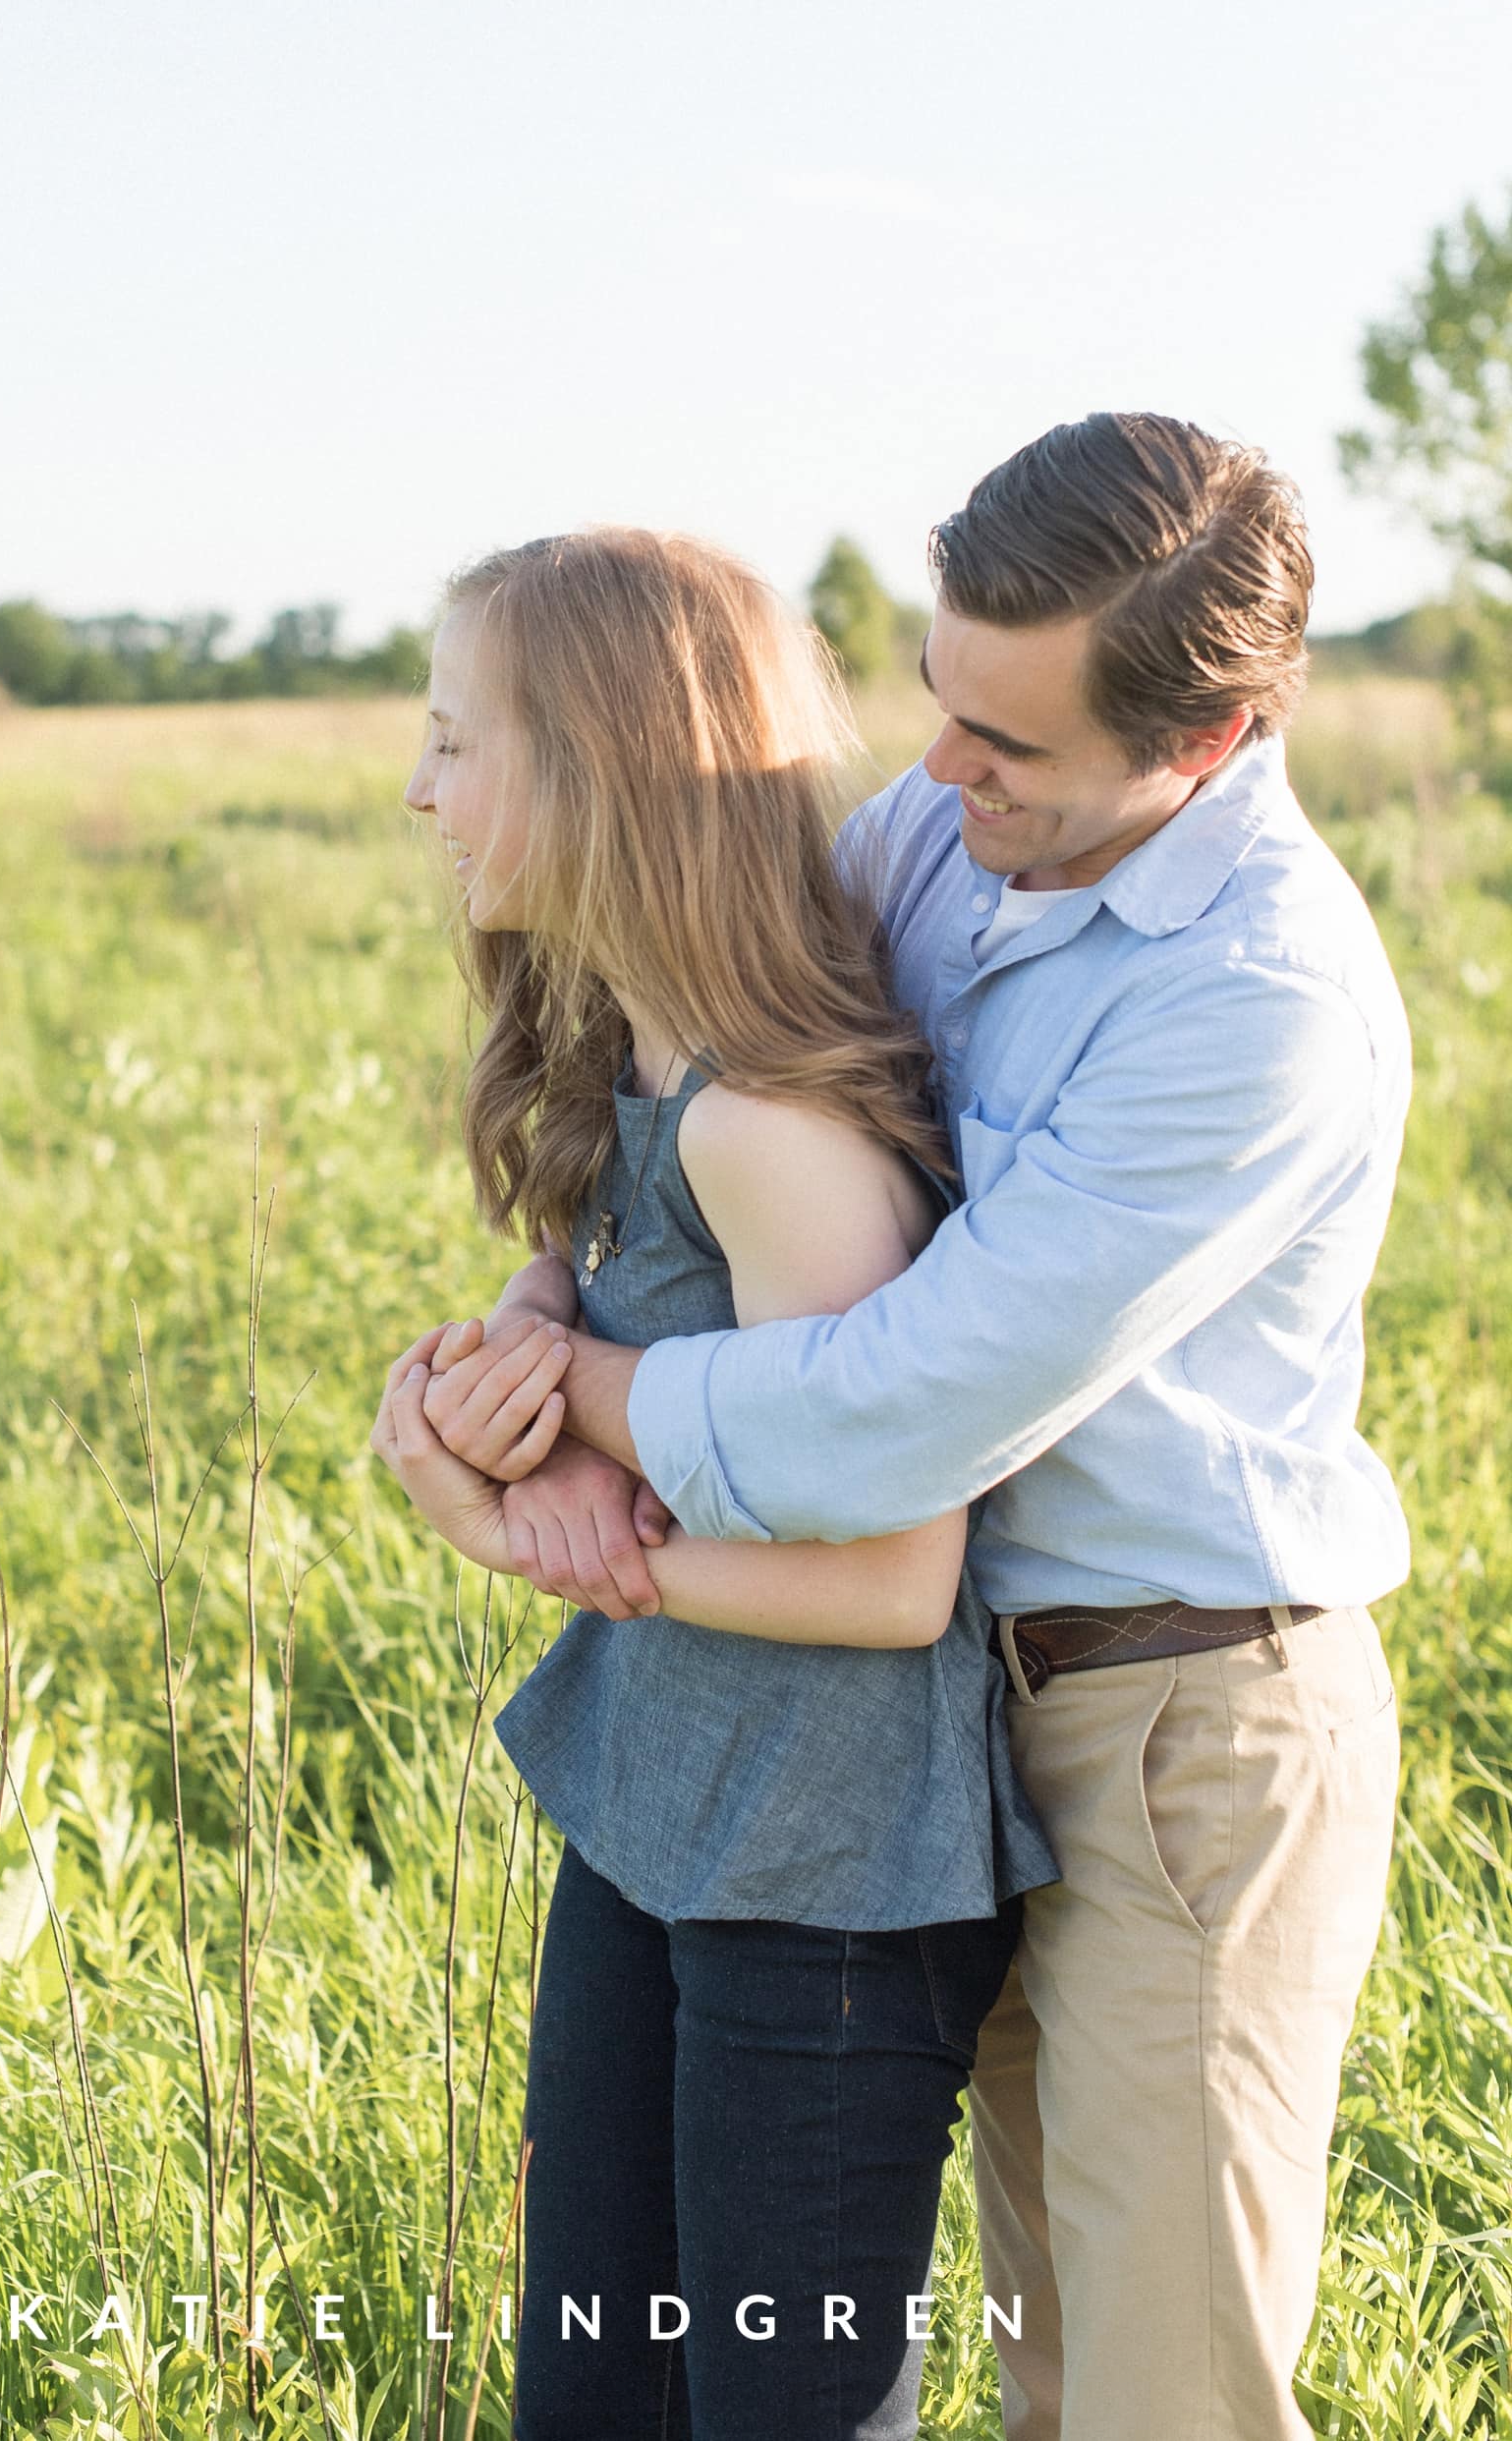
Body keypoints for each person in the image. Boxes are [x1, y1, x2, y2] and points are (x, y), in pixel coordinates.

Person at [424, 416, 1409, 2441]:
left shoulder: (1258, 1000)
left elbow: (895, 1414)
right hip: (926, 1708)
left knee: (1143, 2394)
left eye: (1009, 747)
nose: (932, 775)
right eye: (942, 707)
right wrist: (530, 1315)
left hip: (1171, 1727)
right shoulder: (937, 845)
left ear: (1204, 740)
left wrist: (581, 1435)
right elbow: (691, 1048)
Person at [369, 526, 1057, 2440]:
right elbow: (624, 1296)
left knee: (781, 2418)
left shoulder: (772, 1126)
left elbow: (893, 1582)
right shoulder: (632, 1041)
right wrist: (526, 1323)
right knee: (586, 2395)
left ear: (591, 767)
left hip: (824, 1880)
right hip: (667, 1807)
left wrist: (567, 1542)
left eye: (453, 738)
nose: (419, 787)